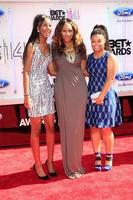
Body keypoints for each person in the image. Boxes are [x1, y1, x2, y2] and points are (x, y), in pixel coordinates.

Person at [52, 18, 88, 179]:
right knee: (66, 127)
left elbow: (83, 69)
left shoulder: (81, 47)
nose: (67, 34)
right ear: (60, 31)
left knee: (77, 129)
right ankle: (69, 167)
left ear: (74, 32)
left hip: (79, 90)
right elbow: (52, 71)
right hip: (63, 89)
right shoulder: (55, 48)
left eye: (70, 30)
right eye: (64, 30)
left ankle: (76, 164)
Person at [23, 14, 57, 180]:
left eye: (50, 26)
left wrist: (70, 70)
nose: (48, 29)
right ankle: (37, 164)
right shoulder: (32, 46)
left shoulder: (49, 48)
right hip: (34, 91)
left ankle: (49, 162)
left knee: (50, 126)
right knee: (36, 129)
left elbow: (51, 70)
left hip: (46, 88)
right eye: (45, 25)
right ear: (37, 28)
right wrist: (27, 95)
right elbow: (27, 72)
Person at [86, 25, 122, 171]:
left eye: (99, 41)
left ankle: (109, 156)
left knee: (106, 129)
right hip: (91, 96)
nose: (96, 44)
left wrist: (101, 96)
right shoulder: (89, 58)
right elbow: (86, 72)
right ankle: (97, 156)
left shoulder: (110, 56)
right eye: (93, 41)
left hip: (106, 96)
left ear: (104, 41)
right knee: (94, 128)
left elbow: (110, 79)